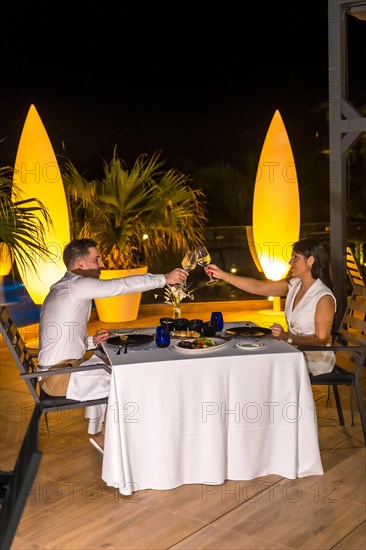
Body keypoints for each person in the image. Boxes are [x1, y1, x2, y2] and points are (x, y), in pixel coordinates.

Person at [37, 238, 188, 453]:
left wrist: (91, 341)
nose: (101, 265)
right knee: (130, 381)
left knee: (122, 366)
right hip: (60, 377)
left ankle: (111, 433)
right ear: (81, 264)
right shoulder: (76, 285)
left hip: (59, 370)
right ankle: (107, 438)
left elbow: (61, 334)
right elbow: (119, 286)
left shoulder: (65, 286)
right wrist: (164, 278)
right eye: (96, 259)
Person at [206, 238, 337, 376]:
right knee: (251, 355)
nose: (290, 261)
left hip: (315, 359)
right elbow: (258, 286)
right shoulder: (295, 285)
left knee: (260, 367)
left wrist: (287, 337)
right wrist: (223, 275)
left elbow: (321, 340)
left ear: (310, 261)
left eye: (295, 257)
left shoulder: (323, 297)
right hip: (293, 351)